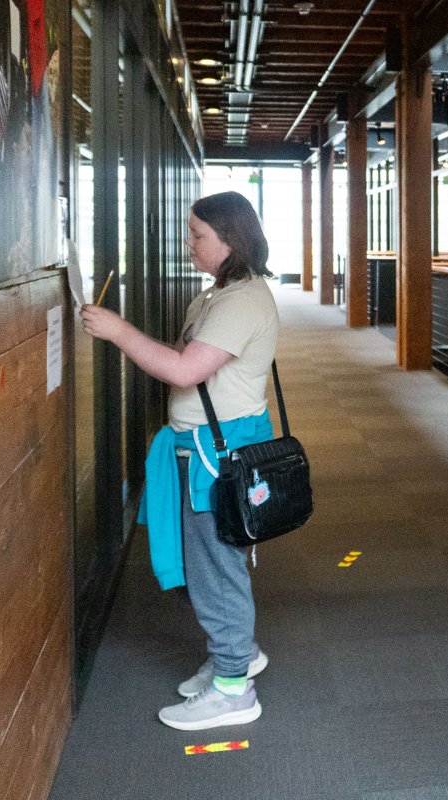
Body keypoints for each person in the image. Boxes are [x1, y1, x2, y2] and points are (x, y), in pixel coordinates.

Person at [81, 191, 280, 731]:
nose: (188, 244)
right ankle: (235, 653)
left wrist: (119, 332)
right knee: (205, 564)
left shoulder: (241, 302)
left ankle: (234, 688)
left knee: (217, 567)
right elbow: (177, 357)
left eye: (198, 235)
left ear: (230, 240)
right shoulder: (214, 295)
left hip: (221, 455)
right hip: (197, 448)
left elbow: (184, 371)